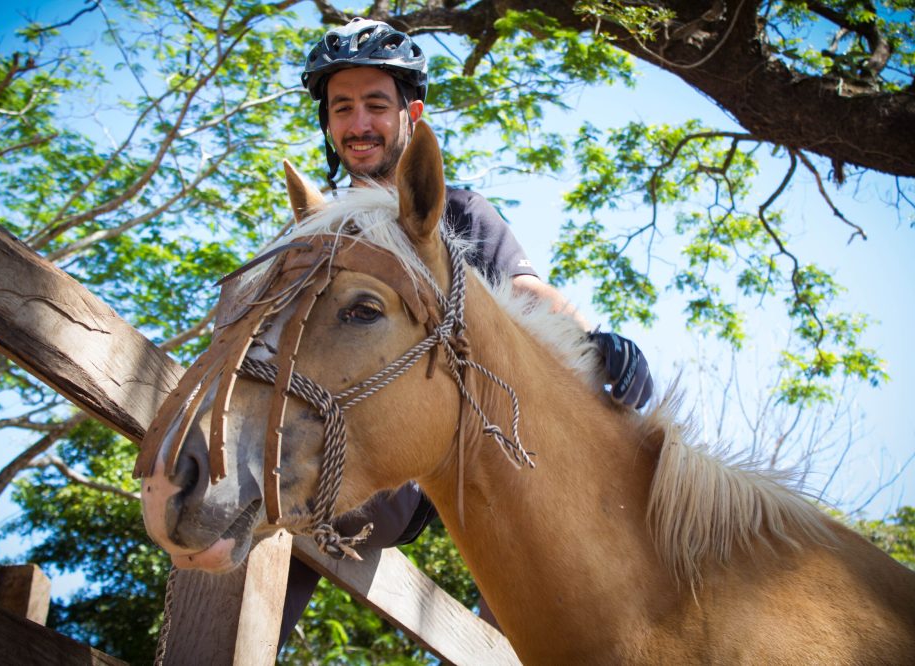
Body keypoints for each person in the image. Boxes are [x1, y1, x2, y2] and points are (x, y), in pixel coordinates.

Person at [277, 18, 654, 648]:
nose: (359, 122)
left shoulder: (457, 212)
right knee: (267, 483)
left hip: (452, 439)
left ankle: (524, 638)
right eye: (342, 107)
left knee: (531, 464)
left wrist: (596, 338)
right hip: (348, 433)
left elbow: (524, 290)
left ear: (411, 115)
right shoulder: (318, 230)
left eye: (376, 104)